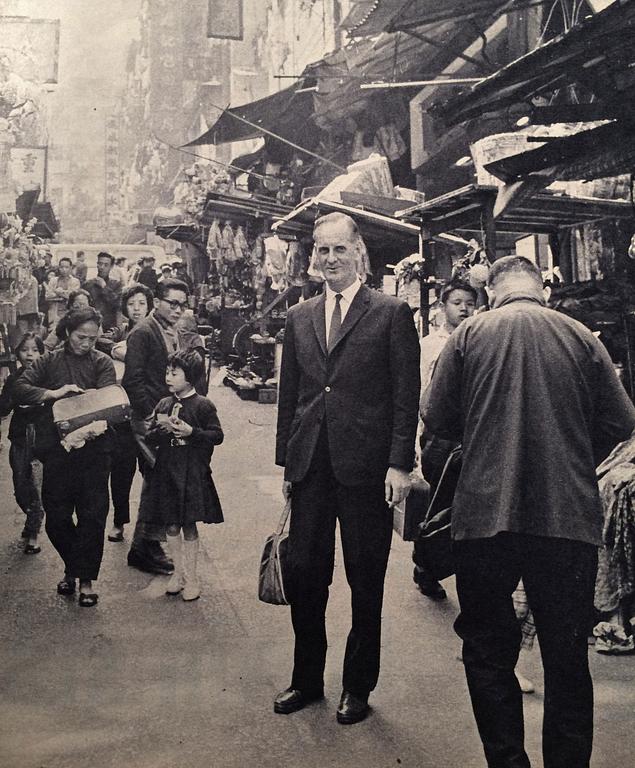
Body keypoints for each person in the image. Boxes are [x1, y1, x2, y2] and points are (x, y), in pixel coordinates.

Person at [423, 255, 635, 768]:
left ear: (493, 291)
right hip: (566, 520)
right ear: (541, 291)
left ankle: (508, 763)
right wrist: (573, 453)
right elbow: (622, 419)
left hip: (483, 517)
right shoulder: (583, 336)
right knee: (567, 658)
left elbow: (437, 418)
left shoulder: (470, 334)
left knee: (489, 652)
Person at [274, 212, 420, 724]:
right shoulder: (299, 316)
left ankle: (357, 687)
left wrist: (400, 464)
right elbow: (290, 396)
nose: (329, 259)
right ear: (311, 256)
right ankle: (306, 680)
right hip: (312, 465)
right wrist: (287, 464)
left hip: (367, 471)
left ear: (359, 253)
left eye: (339, 249)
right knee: (305, 574)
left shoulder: (391, 313)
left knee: (366, 580)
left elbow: (407, 396)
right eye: (321, 250)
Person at [13, 308, 117, 608]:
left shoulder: (102, 362)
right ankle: (74, 567)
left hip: (96, 451)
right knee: (57, 519)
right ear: (67, 332)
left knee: (93, 517)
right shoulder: (49, 360)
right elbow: (20, 388)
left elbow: (111, 398)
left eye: (92, 338)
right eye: (80, 337)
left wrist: (88, 404)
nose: (86, 343)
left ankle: (84, 581)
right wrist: (54, 393)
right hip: (57, 451)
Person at [122, 278, 191, 575]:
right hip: (149, 419)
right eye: (172, 303)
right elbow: (132, 381)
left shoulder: (168, 330)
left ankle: (144, 545)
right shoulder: (143, 332)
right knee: (161, 479)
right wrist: (152, 416)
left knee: (158, 479)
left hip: (164, 417)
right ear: (158, 302)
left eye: (182, 304)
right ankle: (146, 546)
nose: (177, 309)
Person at [414, 278, 476, 600]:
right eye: (457, 302)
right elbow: (417, 396)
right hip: (438, 439)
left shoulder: (480, 340)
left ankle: (462, 573)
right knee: (437, 508)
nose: (464, 308)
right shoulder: (429, 345)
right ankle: (426, 568)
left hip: (470, 439)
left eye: (469, 302)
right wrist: (414, 447)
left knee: (465, 509)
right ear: (442, 307)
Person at [145, 350, 224, 601]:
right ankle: (177, 574)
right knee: (170, 522)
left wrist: (191, 432)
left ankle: (192, 578)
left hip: (191, 472)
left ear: (190, 377)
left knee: (189, 523)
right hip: (167, 471)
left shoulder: (203, 405)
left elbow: (217, 436)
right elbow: (149, 436)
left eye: (174, 373)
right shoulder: (164, 404)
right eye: (167, 372)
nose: (168, 377)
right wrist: (160, 430)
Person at [98, 283, 154, 543]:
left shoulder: (155, 332)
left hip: (148, 410)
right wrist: (115, 348)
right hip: (122, 413)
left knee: (152, 469)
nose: (137, 309)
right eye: (132, 304)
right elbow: (100, 339)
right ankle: (119, 521)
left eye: (142, 303)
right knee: (121, 471)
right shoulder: (122, 331)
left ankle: (152, 525)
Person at [0, 333, 46, 554]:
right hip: (19, 438)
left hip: (41, 439)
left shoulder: (47, 378)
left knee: (36, 485)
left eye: (35, 350)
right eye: (26, 349)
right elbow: (3, 409)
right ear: (18, 353)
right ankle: (31, 517)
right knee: (20, 487)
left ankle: (34, 532)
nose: (30, 354)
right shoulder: (13, 379)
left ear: (42, 353)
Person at [84, 251, 122, 331]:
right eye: (100, 264)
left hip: (109, 326)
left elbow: (117, 304)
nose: (102, 267)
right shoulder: (88, 285)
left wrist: (104, 287)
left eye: (106, 265)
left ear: (111, 267)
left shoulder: (116, 284)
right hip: (90, 325)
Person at [44, 257, 81, 327]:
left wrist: (58, 292)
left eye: (66, 267)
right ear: (59, 268)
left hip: (68, 312)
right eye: (62, 267)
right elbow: (47, 296)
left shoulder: (75, 281)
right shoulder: (53, 280)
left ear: (70, 268)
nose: (64, 270)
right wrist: (64, 294)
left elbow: (72, 297)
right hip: (54, 313)